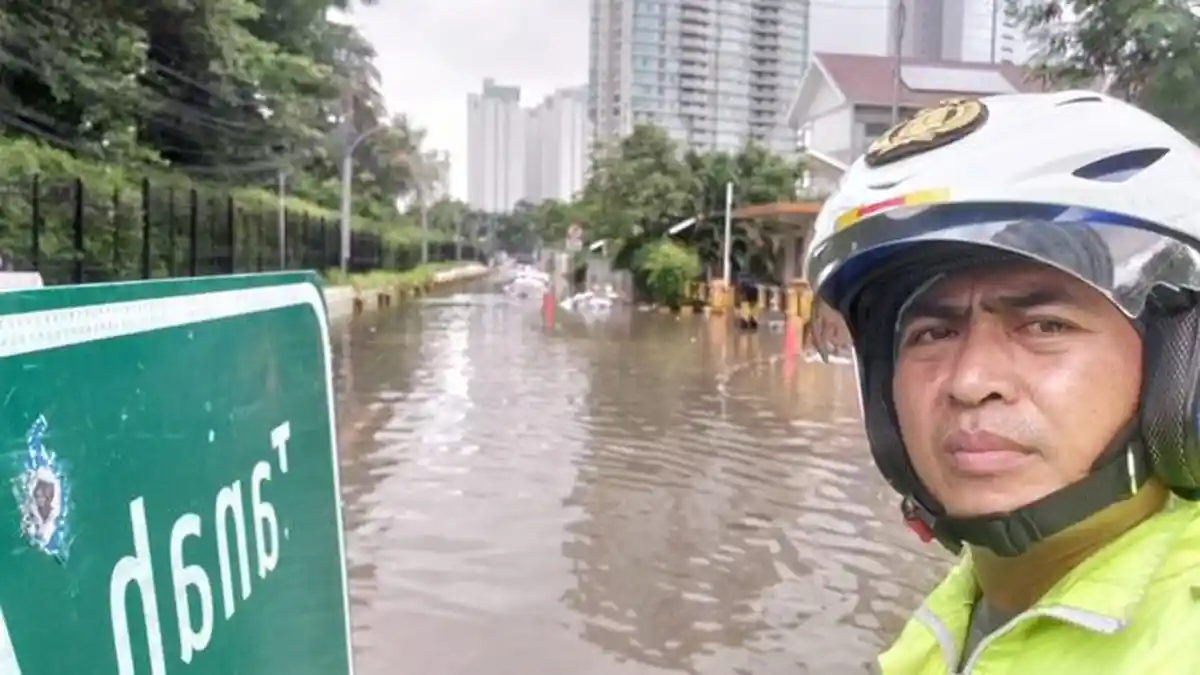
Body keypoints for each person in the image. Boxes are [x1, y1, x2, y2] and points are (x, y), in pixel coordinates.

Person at [804, 91, 1200, 673]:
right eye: (933, 335)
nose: (970, 382)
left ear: (1179, 368)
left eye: (1045, 326)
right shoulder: (950, 622)